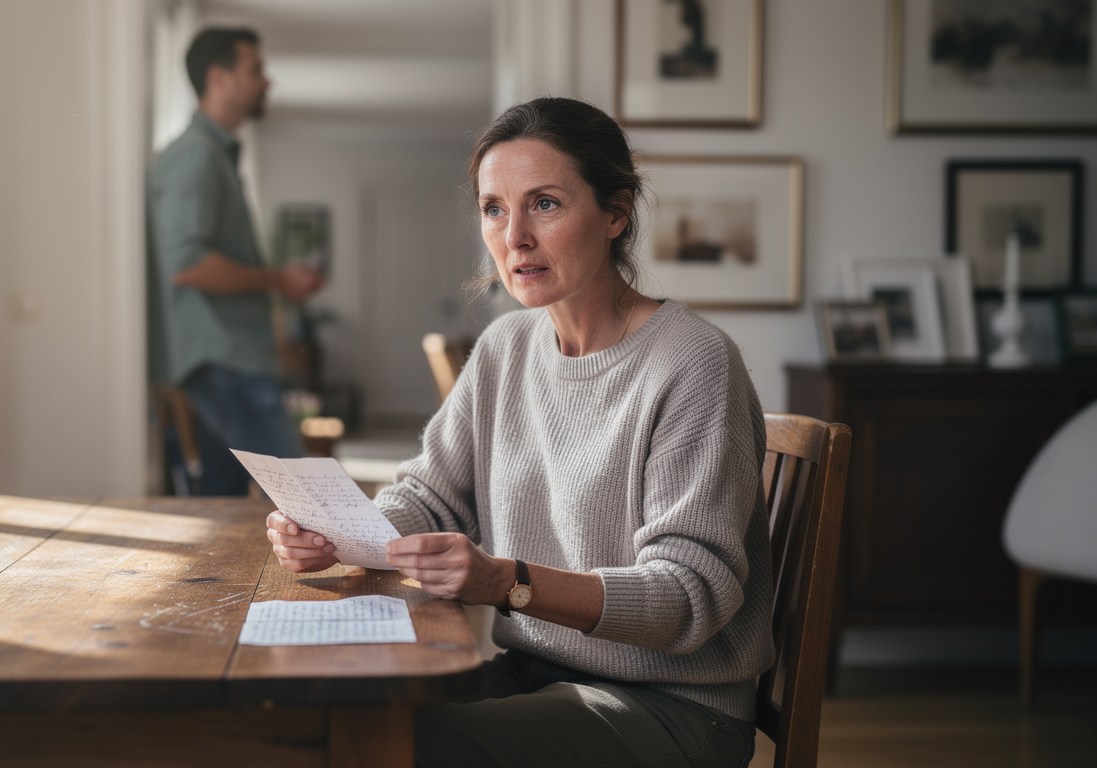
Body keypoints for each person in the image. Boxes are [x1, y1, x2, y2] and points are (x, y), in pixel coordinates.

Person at [265, 96, 772, 768]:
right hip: (532, 672)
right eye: (494, 208)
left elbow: (687, 600)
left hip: (670, 708)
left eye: (546, 204)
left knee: (381, 747)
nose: (515, 237)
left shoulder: (694, 362)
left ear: (616, 213)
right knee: (324, 716)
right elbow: (430, 496)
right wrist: (340, 530)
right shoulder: (505, 346)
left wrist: (508, 582)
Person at [149, 28, 324, 495]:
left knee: (220, 500)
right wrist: (279, 280)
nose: (267, 82)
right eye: (256, 70)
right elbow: (186, 263)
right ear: (219, 78)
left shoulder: (214, 156)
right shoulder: (195, 157)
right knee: (306, 495)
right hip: (224, 358)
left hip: (225, 356)